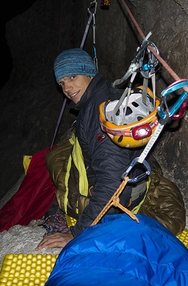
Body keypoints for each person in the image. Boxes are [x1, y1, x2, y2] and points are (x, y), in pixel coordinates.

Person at [36, 48, 151, 250]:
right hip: (125, 177)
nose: (67, 88)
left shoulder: (102, 115)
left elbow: (113, 183)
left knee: (57, 166)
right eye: (62, 83)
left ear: (89, 72)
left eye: (72, 76)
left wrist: (77, 233)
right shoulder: (101, 94)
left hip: (122, 197)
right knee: (59, 155)